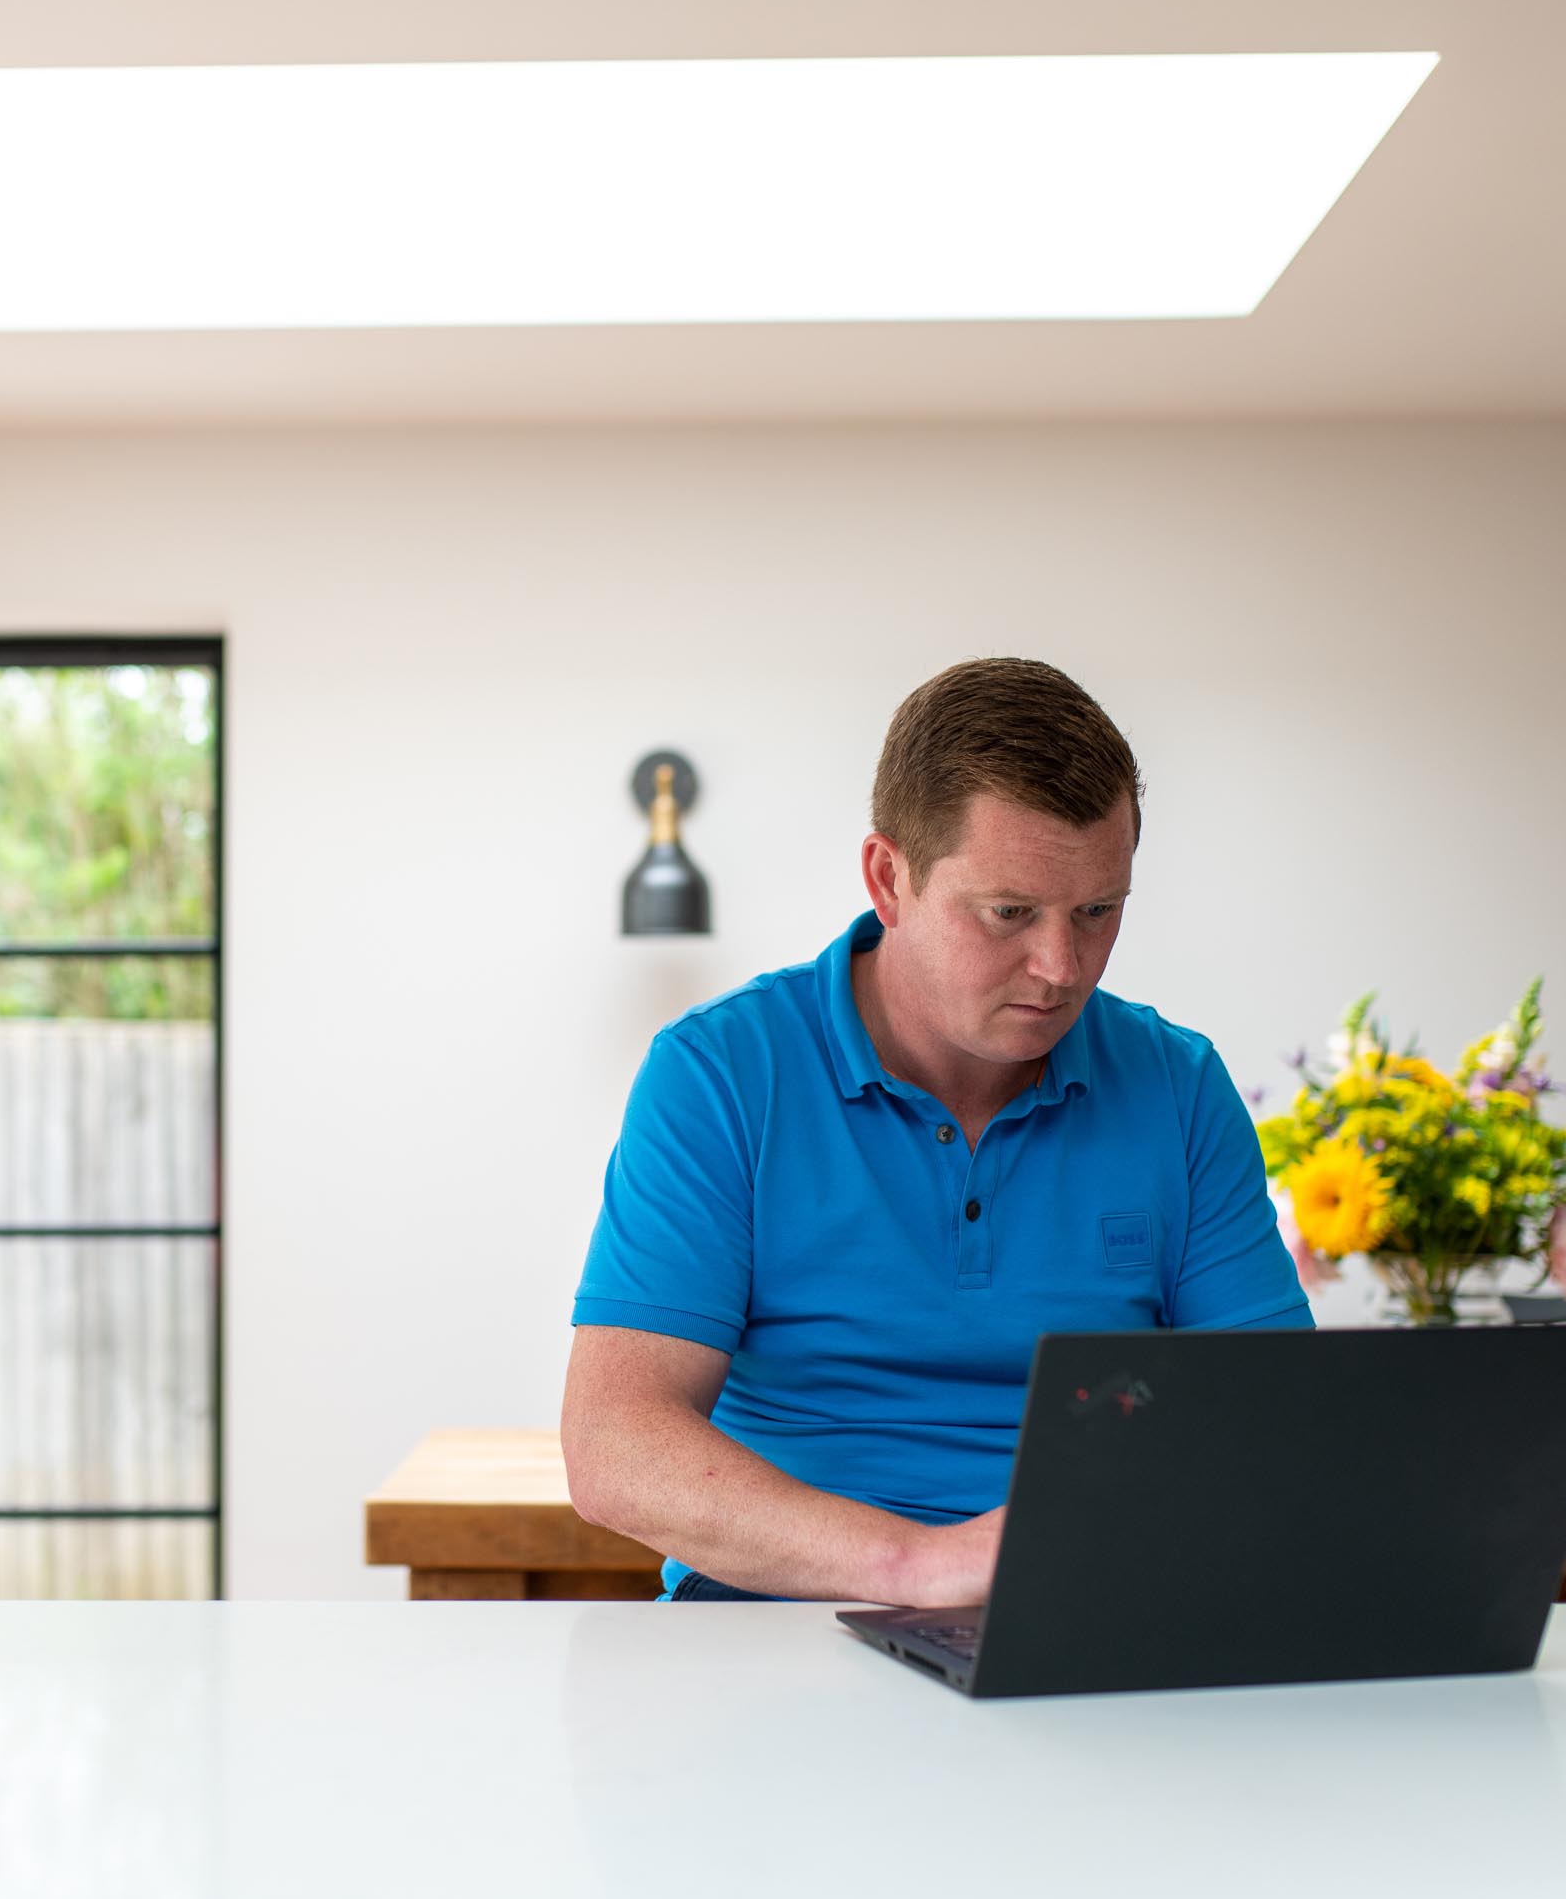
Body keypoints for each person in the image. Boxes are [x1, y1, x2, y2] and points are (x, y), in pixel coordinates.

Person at [561, 658, 1310, 1605]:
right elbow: (612, 1445)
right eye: (1009, 913)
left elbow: (1275, 1425)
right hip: (777, 1629)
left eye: (1097, 911)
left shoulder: (1178, 1085)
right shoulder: (722, 1074)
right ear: (890, 877)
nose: (1060, 966)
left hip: (1089, 1620)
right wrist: (920, 1567)